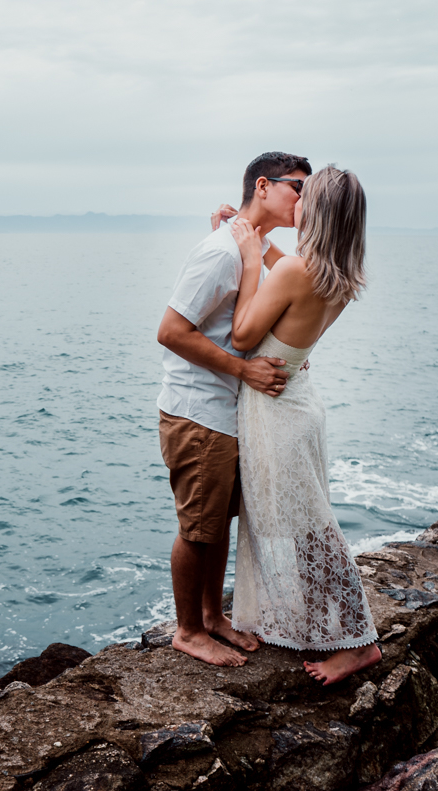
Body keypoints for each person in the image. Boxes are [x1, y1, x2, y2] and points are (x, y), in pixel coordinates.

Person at [156, 151, 313, 667]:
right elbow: (171, 332)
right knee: (199, 526)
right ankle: (186, 631)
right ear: (264, 186)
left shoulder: (252, 246)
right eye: (298, 187)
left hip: (227, 411)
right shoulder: (222, 253)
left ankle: (211, 617)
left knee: (220, 519)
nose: (304, 199)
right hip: (199, 411)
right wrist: (244, 370)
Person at [227, 165, 381, 684]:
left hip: (277, 411)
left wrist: (251, 258)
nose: (296, 203)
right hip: (297, 403)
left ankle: (360, 643)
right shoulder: (336, 271)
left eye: (304, 197)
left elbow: (245, 336)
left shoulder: (294, 271)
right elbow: (291, 278)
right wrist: (261, 246)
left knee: (312, 528)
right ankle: (325, 630)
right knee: (305, 524)